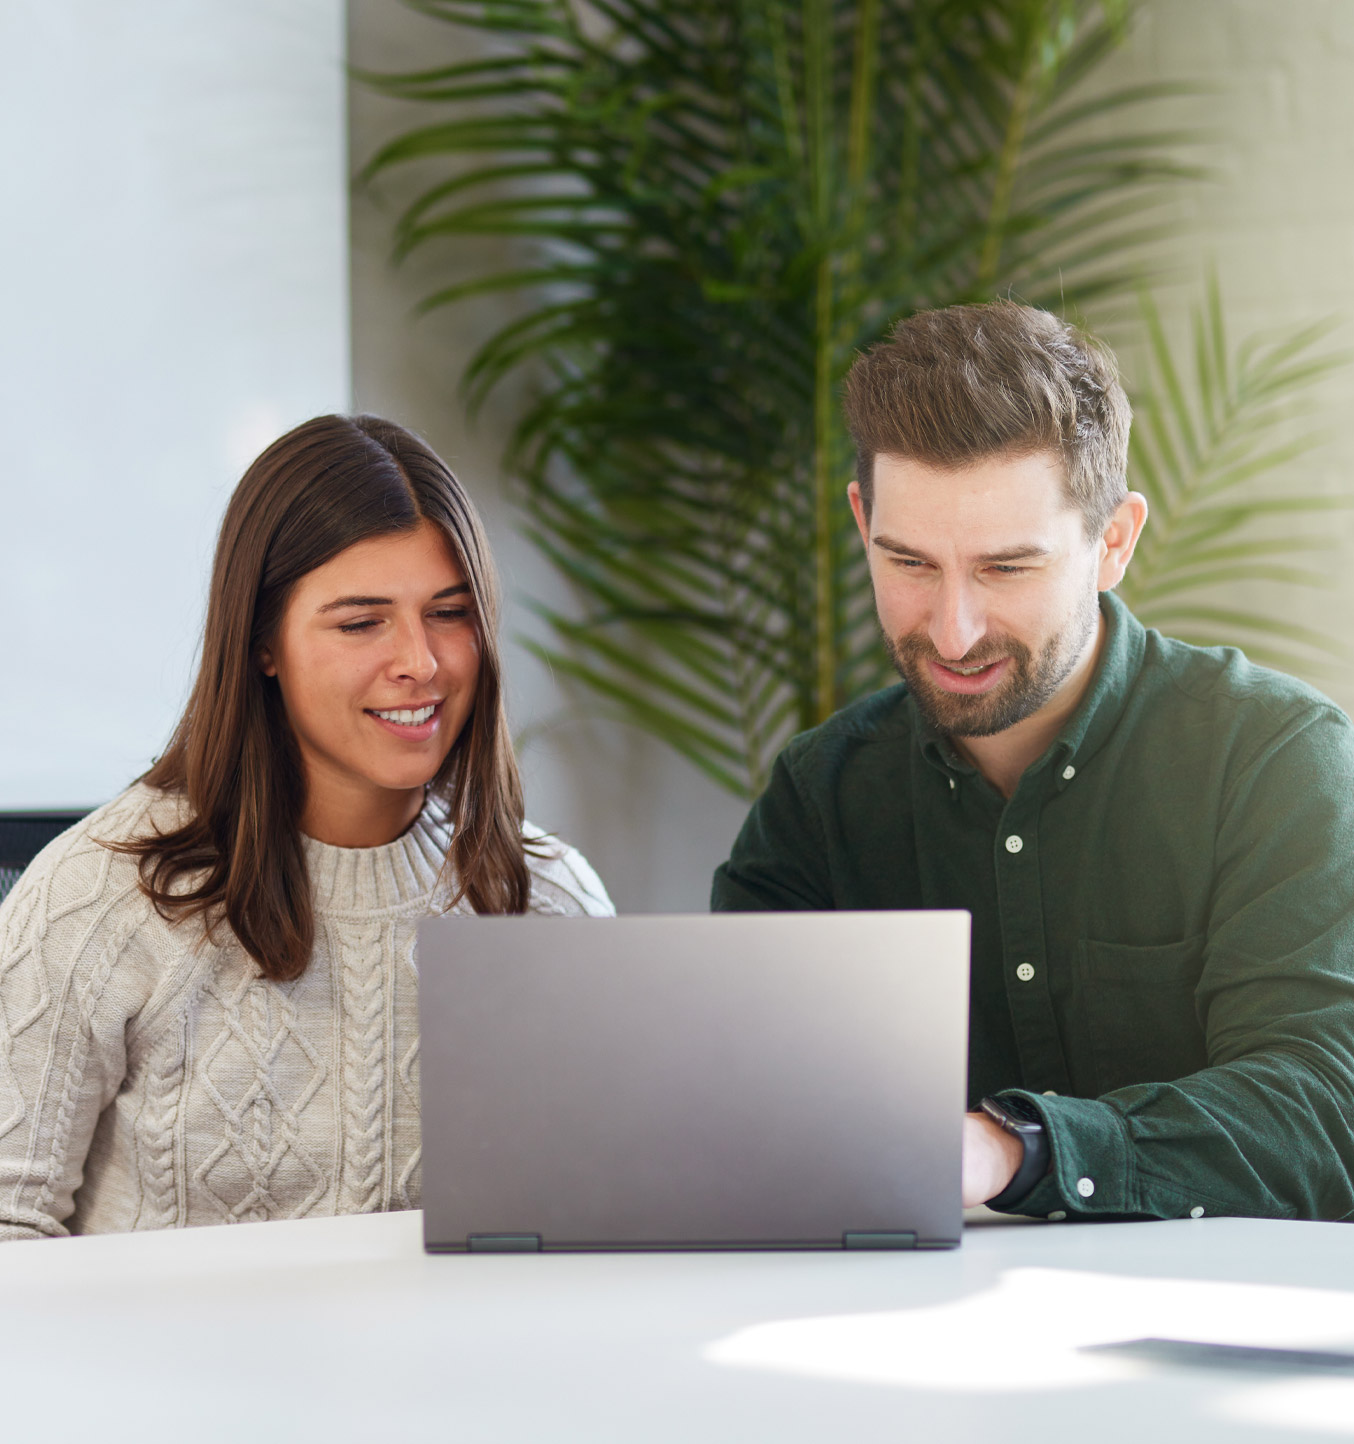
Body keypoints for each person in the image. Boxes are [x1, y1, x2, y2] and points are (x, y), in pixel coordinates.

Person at [713, 302, 1354, 1222]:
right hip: (905, 1336)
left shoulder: (1272, 760)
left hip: (1229, 1334)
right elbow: (740, 1108)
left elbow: (1323, 1108)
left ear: (1115, 542)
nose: (952, 628)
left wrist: (1012, 1150)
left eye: (1007, 569)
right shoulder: (822, 796)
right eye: (909, 563)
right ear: (862, 521)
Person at [0, 414, 612, 1241]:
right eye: (361, 622)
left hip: (463, 1370)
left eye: (449, 612)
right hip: (160, 1372)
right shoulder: (99, 899)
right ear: (263, 644)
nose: (421, 662)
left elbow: (596, 1227)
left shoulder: (550, 899)